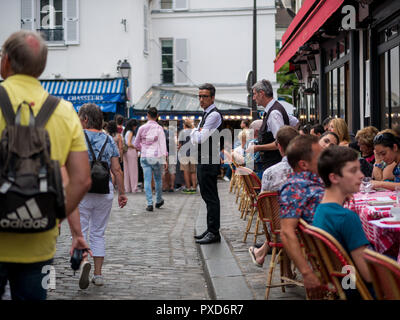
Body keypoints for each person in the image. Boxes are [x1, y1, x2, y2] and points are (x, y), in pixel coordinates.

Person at [0, 30, 91, 300]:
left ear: (5, 61)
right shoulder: (64, 111)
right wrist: (54, 216)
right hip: (39, 239)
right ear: (41, 67)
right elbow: (82, 179)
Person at [313, 145, 373, 298]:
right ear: (334, 177)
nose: (361, 175)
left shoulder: (321, 210)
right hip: (356, 289)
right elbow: (368, 275)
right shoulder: (346, 217)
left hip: (342, 282)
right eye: (353, 170)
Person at [78, 103, 127, 287]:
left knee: (81, 230)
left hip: (82, 191)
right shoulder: (109, 140)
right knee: (98, 233)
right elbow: (117, 170)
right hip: (104, 191)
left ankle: (84, 261)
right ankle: (98, 275)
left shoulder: (77, 137)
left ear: (84, 119)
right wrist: (122, 193)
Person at [279, 135, 325, 299]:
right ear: (303, 164)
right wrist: (306, 272)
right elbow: (286, 232)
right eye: (321, 156)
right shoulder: (295, 187)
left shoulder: (319, 181)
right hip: (335, 260)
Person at [248, 126, 299, 267]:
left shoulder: (270, 173)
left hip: (278, 228)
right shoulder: (307, 168)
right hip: (305, 226)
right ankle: (284, 268)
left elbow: (263, 204)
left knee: (279, 219)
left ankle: (264, 255)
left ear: (279, 147)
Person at [191, 83, 224, 245]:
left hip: (209, 160)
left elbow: (198, 138)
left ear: (212, 97)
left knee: (210, 197)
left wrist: (193, 129)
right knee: (206, 195)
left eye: (204, 96)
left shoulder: (213, 115)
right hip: (204, 158)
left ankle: (214, 231)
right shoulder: (206, 114)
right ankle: (210, 229)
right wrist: (195, 131)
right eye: (199, 96)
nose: (201, 99)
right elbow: (197, 137)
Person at [246, 79, 299, 171]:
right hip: (276, 163)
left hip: (275, 164)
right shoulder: (276, 108)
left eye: (254, 94)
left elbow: (280, 141)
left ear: (261, 93)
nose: (253, 98)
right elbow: (295, 122)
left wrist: (258, 147)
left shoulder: (274, 113)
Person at [134, 107, 168, 211]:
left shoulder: (141, 128)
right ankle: (158, 200)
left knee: (147, 180)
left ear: (147, 115)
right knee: (158, 180)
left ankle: (149, 203)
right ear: (157, 116)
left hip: (144, 156)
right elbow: (162, 144)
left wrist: (142, 148)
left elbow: (136, 143)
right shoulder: (159, 128)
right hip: (156, 156)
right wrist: (165, 158)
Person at [178, 118, 197, 193]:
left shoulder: (182, 132)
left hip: (184, 154)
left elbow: (179, 145)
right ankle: (194, 188)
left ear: (184, 125)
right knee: (193, 172)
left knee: (186, 171)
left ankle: (188, 188)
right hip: (193, 153)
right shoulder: (194, 132)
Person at [123, 119, 139, 193]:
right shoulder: (131, 132)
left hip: (125, 152)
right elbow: (129, 143)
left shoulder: (125, 132)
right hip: (131, 151)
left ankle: (127, 188)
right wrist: (136, 147)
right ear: (133, 126)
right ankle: (134, 188)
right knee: (133, 170)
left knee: (126, 171)